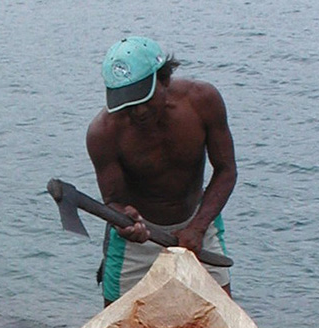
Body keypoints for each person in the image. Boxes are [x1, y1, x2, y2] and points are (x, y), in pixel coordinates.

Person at [86, 36, 237, 304]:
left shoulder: (202, 102)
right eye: (129, 104)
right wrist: (126, 221)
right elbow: (114, 201)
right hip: (138, 240)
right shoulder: (104, 133)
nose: (139, 112)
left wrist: (199, 227)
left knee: (221, 314)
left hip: (197, 220)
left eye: (145, 99)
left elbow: (226, 170)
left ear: (164, 78)